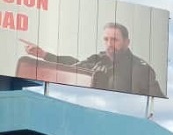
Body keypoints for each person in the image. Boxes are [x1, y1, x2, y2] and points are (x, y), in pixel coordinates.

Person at [24, 22, 164, 97]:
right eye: (106, 39)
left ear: (127, 42)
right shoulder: (99, 59)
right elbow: (74, 65)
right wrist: (43, 54)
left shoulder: (141, 69)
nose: (109, 44)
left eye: (114, 40)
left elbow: (156, 99)